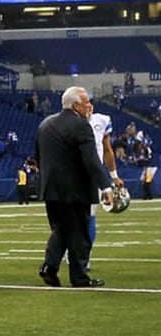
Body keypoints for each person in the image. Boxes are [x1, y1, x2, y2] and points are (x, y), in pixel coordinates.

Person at [35, 87, 112, 288]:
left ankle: (49, 268)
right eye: (86, 103)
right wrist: (106, 186)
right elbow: (91, 160)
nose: (89, 107)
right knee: (79, 233)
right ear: (75, 105)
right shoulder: (80, 126)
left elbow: (38, 157)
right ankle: (79, 278)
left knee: (61, 229)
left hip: (50, 188)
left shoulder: (45, 124)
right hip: (75, 190)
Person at [85, 102, 124, 271]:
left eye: (90, 103)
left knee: (90, 216)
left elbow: (107, 150)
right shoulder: (69, 123)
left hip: (94, 174)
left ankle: (84, 256)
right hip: (71, 174)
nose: (89, 106)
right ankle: (73, 250)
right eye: (84, 103)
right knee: (71, 218)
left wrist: (114, 176)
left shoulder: (101, 120)